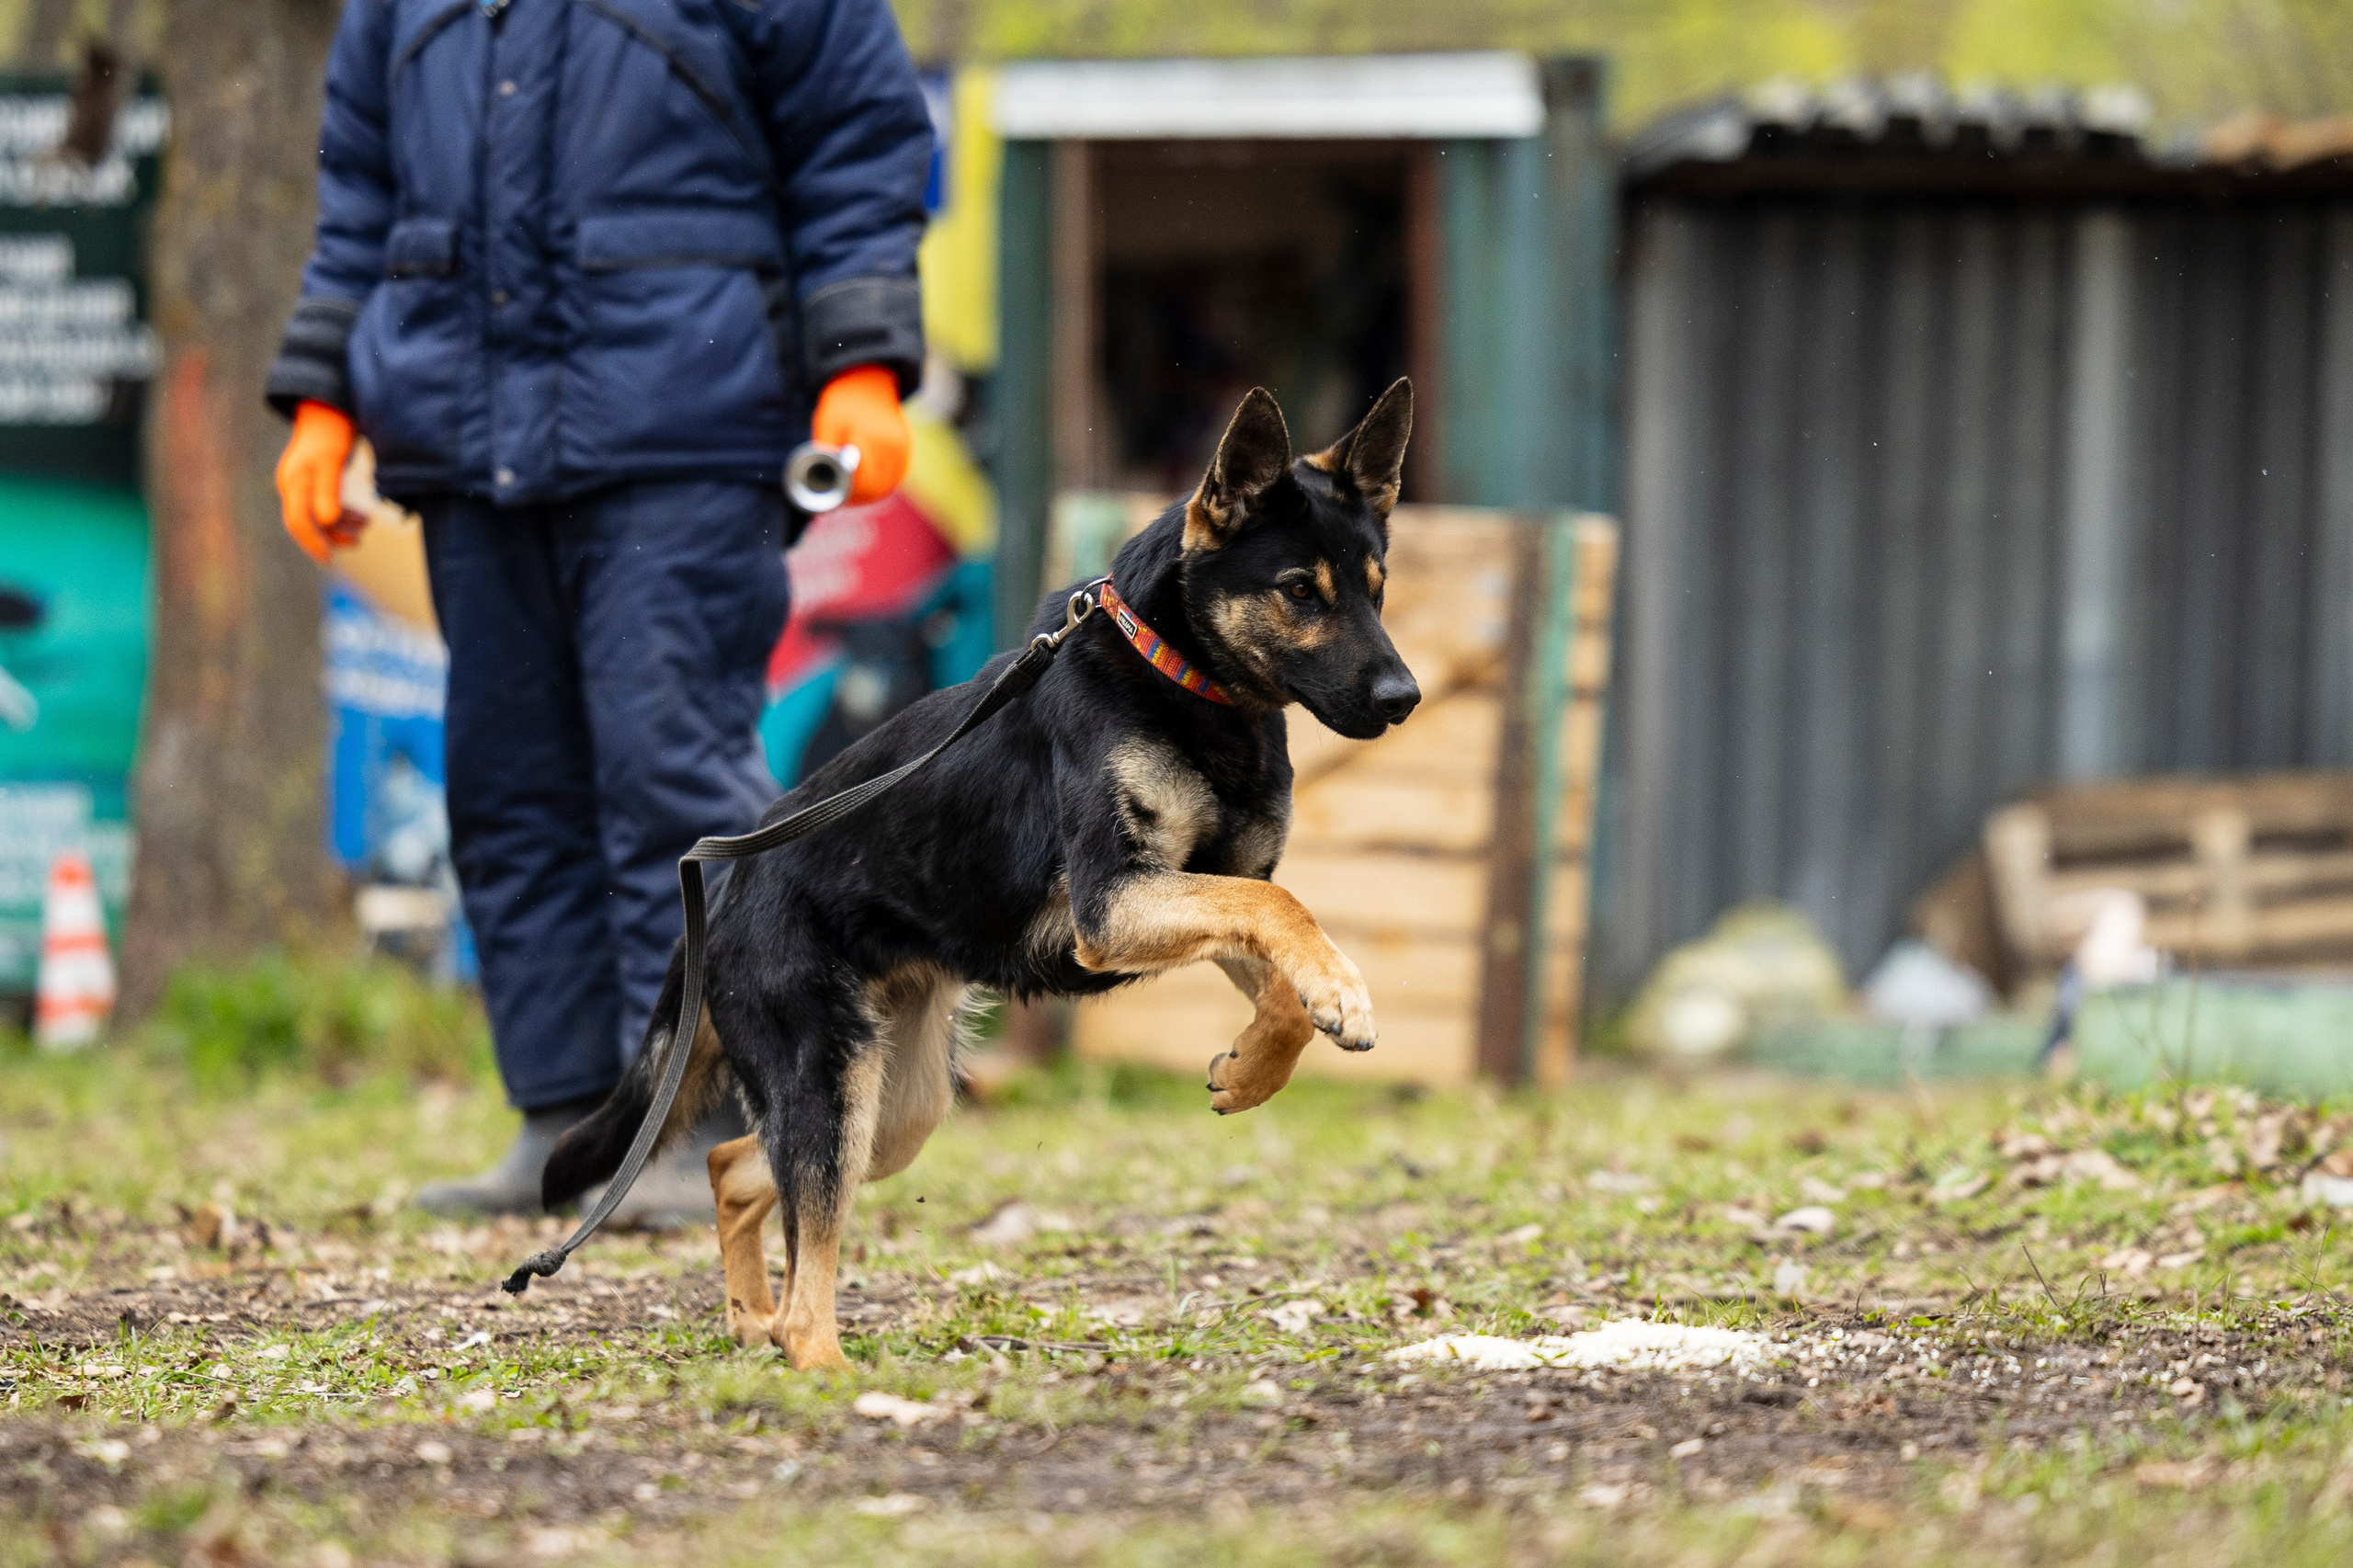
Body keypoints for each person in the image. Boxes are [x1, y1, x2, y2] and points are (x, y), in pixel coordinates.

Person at [266, 0, 933, 1221]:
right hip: (468, 448)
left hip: (688, 425)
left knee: (667, 773)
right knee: (507, 784)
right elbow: (359, 188)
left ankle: (707, 1121)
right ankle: (563, 1126)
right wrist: (321, 395)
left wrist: (863, 359)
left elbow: (857, 137)